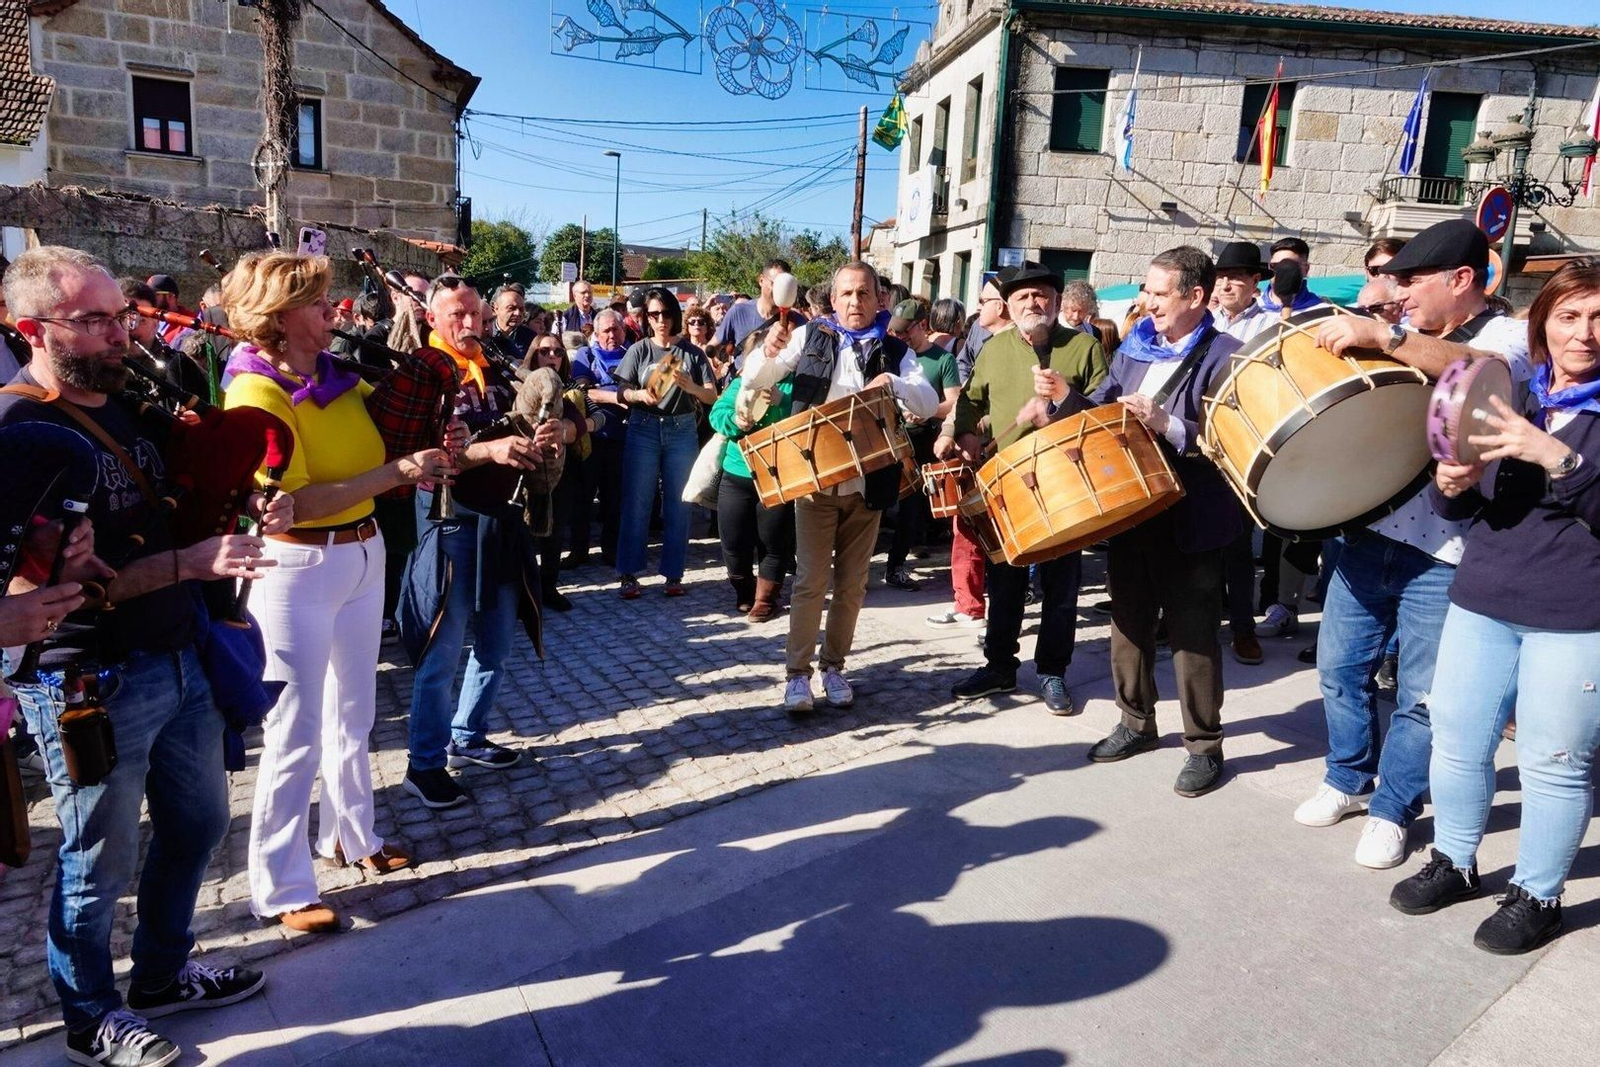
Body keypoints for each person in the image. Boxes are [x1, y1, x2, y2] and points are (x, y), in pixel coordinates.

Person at [2, 246, 281, 1066]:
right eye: (91, 320)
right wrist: (189, 565)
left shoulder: (134, 405)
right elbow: (54, 595)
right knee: (100, 855)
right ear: (30, 330)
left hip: (180, 650)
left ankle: (161, 974)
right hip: (88, 676)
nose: (118, 334)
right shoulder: (19, 435)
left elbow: (182, 503)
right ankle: (91, 1017)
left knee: (198, 822)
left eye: (119, 314)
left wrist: (248, 494)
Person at [223, 251, 457, 930]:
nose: (336, 312)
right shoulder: (256, 389)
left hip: (361, 553)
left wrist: (442, 442)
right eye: (321, 303)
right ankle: (281, 884)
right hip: (296, 566)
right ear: (282, 315)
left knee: (352, 714)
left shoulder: (334, 378)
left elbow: (395, 437)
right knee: (293, 729)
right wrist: (395, 474)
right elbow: (292, 500)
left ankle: (353, 837)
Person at [1301, 218, 1532, 868]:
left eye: (1411, 280)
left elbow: (1485, 372)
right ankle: (1348, 778)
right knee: (1338, 668)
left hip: (1446, 551)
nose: (1398, 292)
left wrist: (1387, 333)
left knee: (1422, 696)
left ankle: (1392, 808)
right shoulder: (1409, 330)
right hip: (1367, 533)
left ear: (1462, 280)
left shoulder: (1507, 336)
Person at [1388, 260, 1600, 954]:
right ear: (1542, 322)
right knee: (1457, 736)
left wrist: (1561, 461)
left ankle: (1538, 894)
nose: (1584, 333)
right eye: (1569, 316)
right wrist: (1453, 480)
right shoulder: (1512, 389)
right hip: (1484, 593)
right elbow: (1459, 504)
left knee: (1553, 759)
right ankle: (1455, 857)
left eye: (1599, 318)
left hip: (1575, 611)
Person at [1082, 246, 1246, 798]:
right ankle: (1135, 722)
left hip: (1192, 517)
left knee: (1193, 635)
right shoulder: (1134, 348)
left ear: (1195, 296)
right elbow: (1103, 406)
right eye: (1146, 290)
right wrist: (1065, 403)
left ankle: (1204, 744)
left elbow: (1233, 438)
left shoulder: (1227, 355)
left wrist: (1168, 423)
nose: (1146, 302)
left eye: (1157, 292)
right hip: (1133, 511)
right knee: (1128, 622)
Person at [747, 261, 940, 714]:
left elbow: (929, 403)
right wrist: (766, 352)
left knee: (853, 586)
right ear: (833, 300)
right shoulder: (810, 335)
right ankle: (797, 676)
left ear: (880, 300)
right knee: (811, 582)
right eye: (847, 294)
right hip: (816, 483)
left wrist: (891, 383)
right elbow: (756, 379)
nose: (855, 301)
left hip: (870, 484)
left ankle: (835, 666)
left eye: (864, 294)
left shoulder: (896, 350)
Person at [400, 275, 560, 809]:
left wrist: (554, 432)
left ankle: (468, 735)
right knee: (442, 648)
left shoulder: (496, 363)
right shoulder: (419, 374)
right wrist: (488, 454)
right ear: (431, 320)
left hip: (503, 519)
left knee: (495, 641)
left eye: (476, 314)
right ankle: (424, 763)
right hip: (451, 521)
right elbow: (417, 462)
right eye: (457, 316)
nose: (470, 324)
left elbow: (572, 413)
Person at [947, 264, 1108, 713]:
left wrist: (1063, 398)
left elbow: (1106, 413)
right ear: (1009, 306)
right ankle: (999, 667)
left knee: (1061, 585)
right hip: (1007, 482)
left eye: (1041, 295)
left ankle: (1052, 672)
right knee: (1006, 579)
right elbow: (970, 400)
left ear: (1057, 302)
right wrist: (964, 434)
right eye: (1022, 298)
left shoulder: (1084, 348)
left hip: (1065, 482)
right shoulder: (995, 348)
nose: (1032, 304)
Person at [611, 287, 717, 598]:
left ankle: (673, 574)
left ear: (675, 315)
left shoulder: (692, 353)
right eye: (653, 315)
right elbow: (621, 391)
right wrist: (637, 395)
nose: (660, 320)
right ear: (646, 317)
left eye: (666, 314)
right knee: (637, 501)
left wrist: (692, 387)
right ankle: (629, 573)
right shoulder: (639, 350)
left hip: (682, 429)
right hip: (643, 427)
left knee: (679, 503)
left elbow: (712, 395)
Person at [928, 274, 1012, 630]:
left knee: (1003, 538)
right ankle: (969, 605)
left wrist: (977, 428)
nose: (977, 306)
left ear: (1002, 305)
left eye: (984, 300)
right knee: (966, 529)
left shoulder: (1023, 345)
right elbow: (968, 395)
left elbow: (1011, 405)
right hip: (976, 454)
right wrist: (951, 431)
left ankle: (1002, 622)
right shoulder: (982, 337)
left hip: (1007, 453)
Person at [709, 335, 795, 620]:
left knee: (773, 540)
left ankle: (766, 599)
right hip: (737, 472)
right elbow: (717, 413)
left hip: (776, 473)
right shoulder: (741, 383)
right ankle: (744, 592)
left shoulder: (792, 384)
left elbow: (803, 417)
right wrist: (736, 420)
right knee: (733, 541)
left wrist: (783, 402)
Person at [884, 298, 962, 590]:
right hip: (890, 439)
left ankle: (896, 567)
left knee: (911, 507)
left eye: (906, 332)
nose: (901, 337)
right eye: (897, 332)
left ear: (923, 326)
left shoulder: (943, 360)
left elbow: (954, 400)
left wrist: (927, 410)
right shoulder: (893, 353)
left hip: (922, 441)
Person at [528, 333, 593, 612]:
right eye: (545, 351)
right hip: (526, 469)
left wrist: (566, 429)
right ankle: (525, 590)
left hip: (562, 469)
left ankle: (549, 585)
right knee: (526, 532)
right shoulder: (520, 383)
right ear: (534, 355)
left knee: (555, 531)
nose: (552, 357)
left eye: (557, 352)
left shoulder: (568, 387)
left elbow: (584, 421)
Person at [569, 309, 631, 568]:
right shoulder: (586, 355)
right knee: (582, 498)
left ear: (623, 331)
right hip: (590, 438)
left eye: (615, 329)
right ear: (596, 333)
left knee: (614, 498)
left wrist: (605, 391)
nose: (611, 335)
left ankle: (611, 549)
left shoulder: (632, 355)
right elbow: (584, 391)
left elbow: (639, 389)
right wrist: (620, 396)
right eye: (605, 330)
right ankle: (578, 551)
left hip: (621, 438)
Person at [713, 259, 807, 356]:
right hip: (744, 371)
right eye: (775, 284)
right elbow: (712, 347)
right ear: (761, 281)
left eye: (785, 285)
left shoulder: (798, 322)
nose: (779, 290)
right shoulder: (738, 312)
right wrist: (720, 363)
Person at [488, 282, 536, 362]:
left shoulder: (531, 338)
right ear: (495, 309)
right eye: (511, 308)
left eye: (521, 309)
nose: (517, 313)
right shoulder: (485, 334)